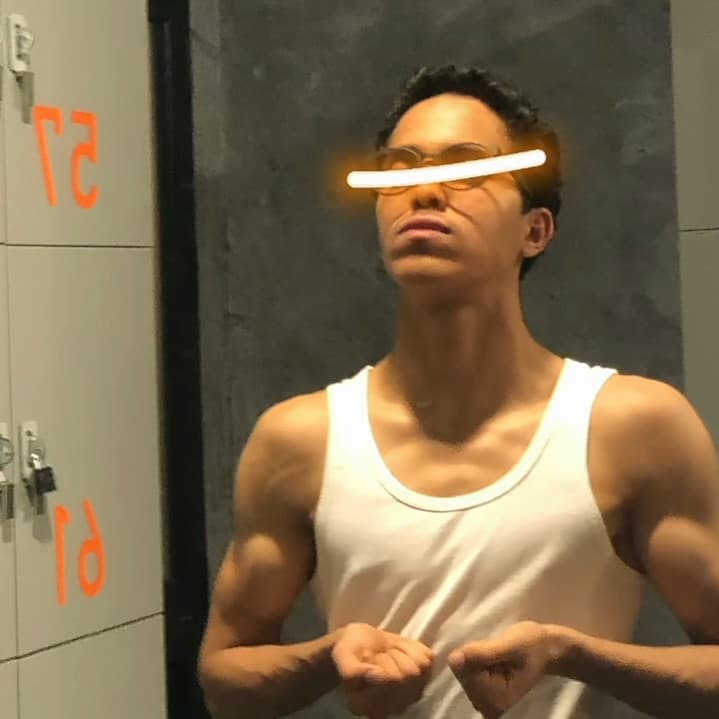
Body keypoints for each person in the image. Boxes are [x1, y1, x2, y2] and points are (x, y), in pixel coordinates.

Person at [197, 65, 719, 719]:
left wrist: (571, 653)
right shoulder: (300, 439)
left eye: (466, 167)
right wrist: (328, 657)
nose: (424, 191)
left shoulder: (632, 427)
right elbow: (224, 680)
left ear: (534, 230)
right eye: (399, 170)